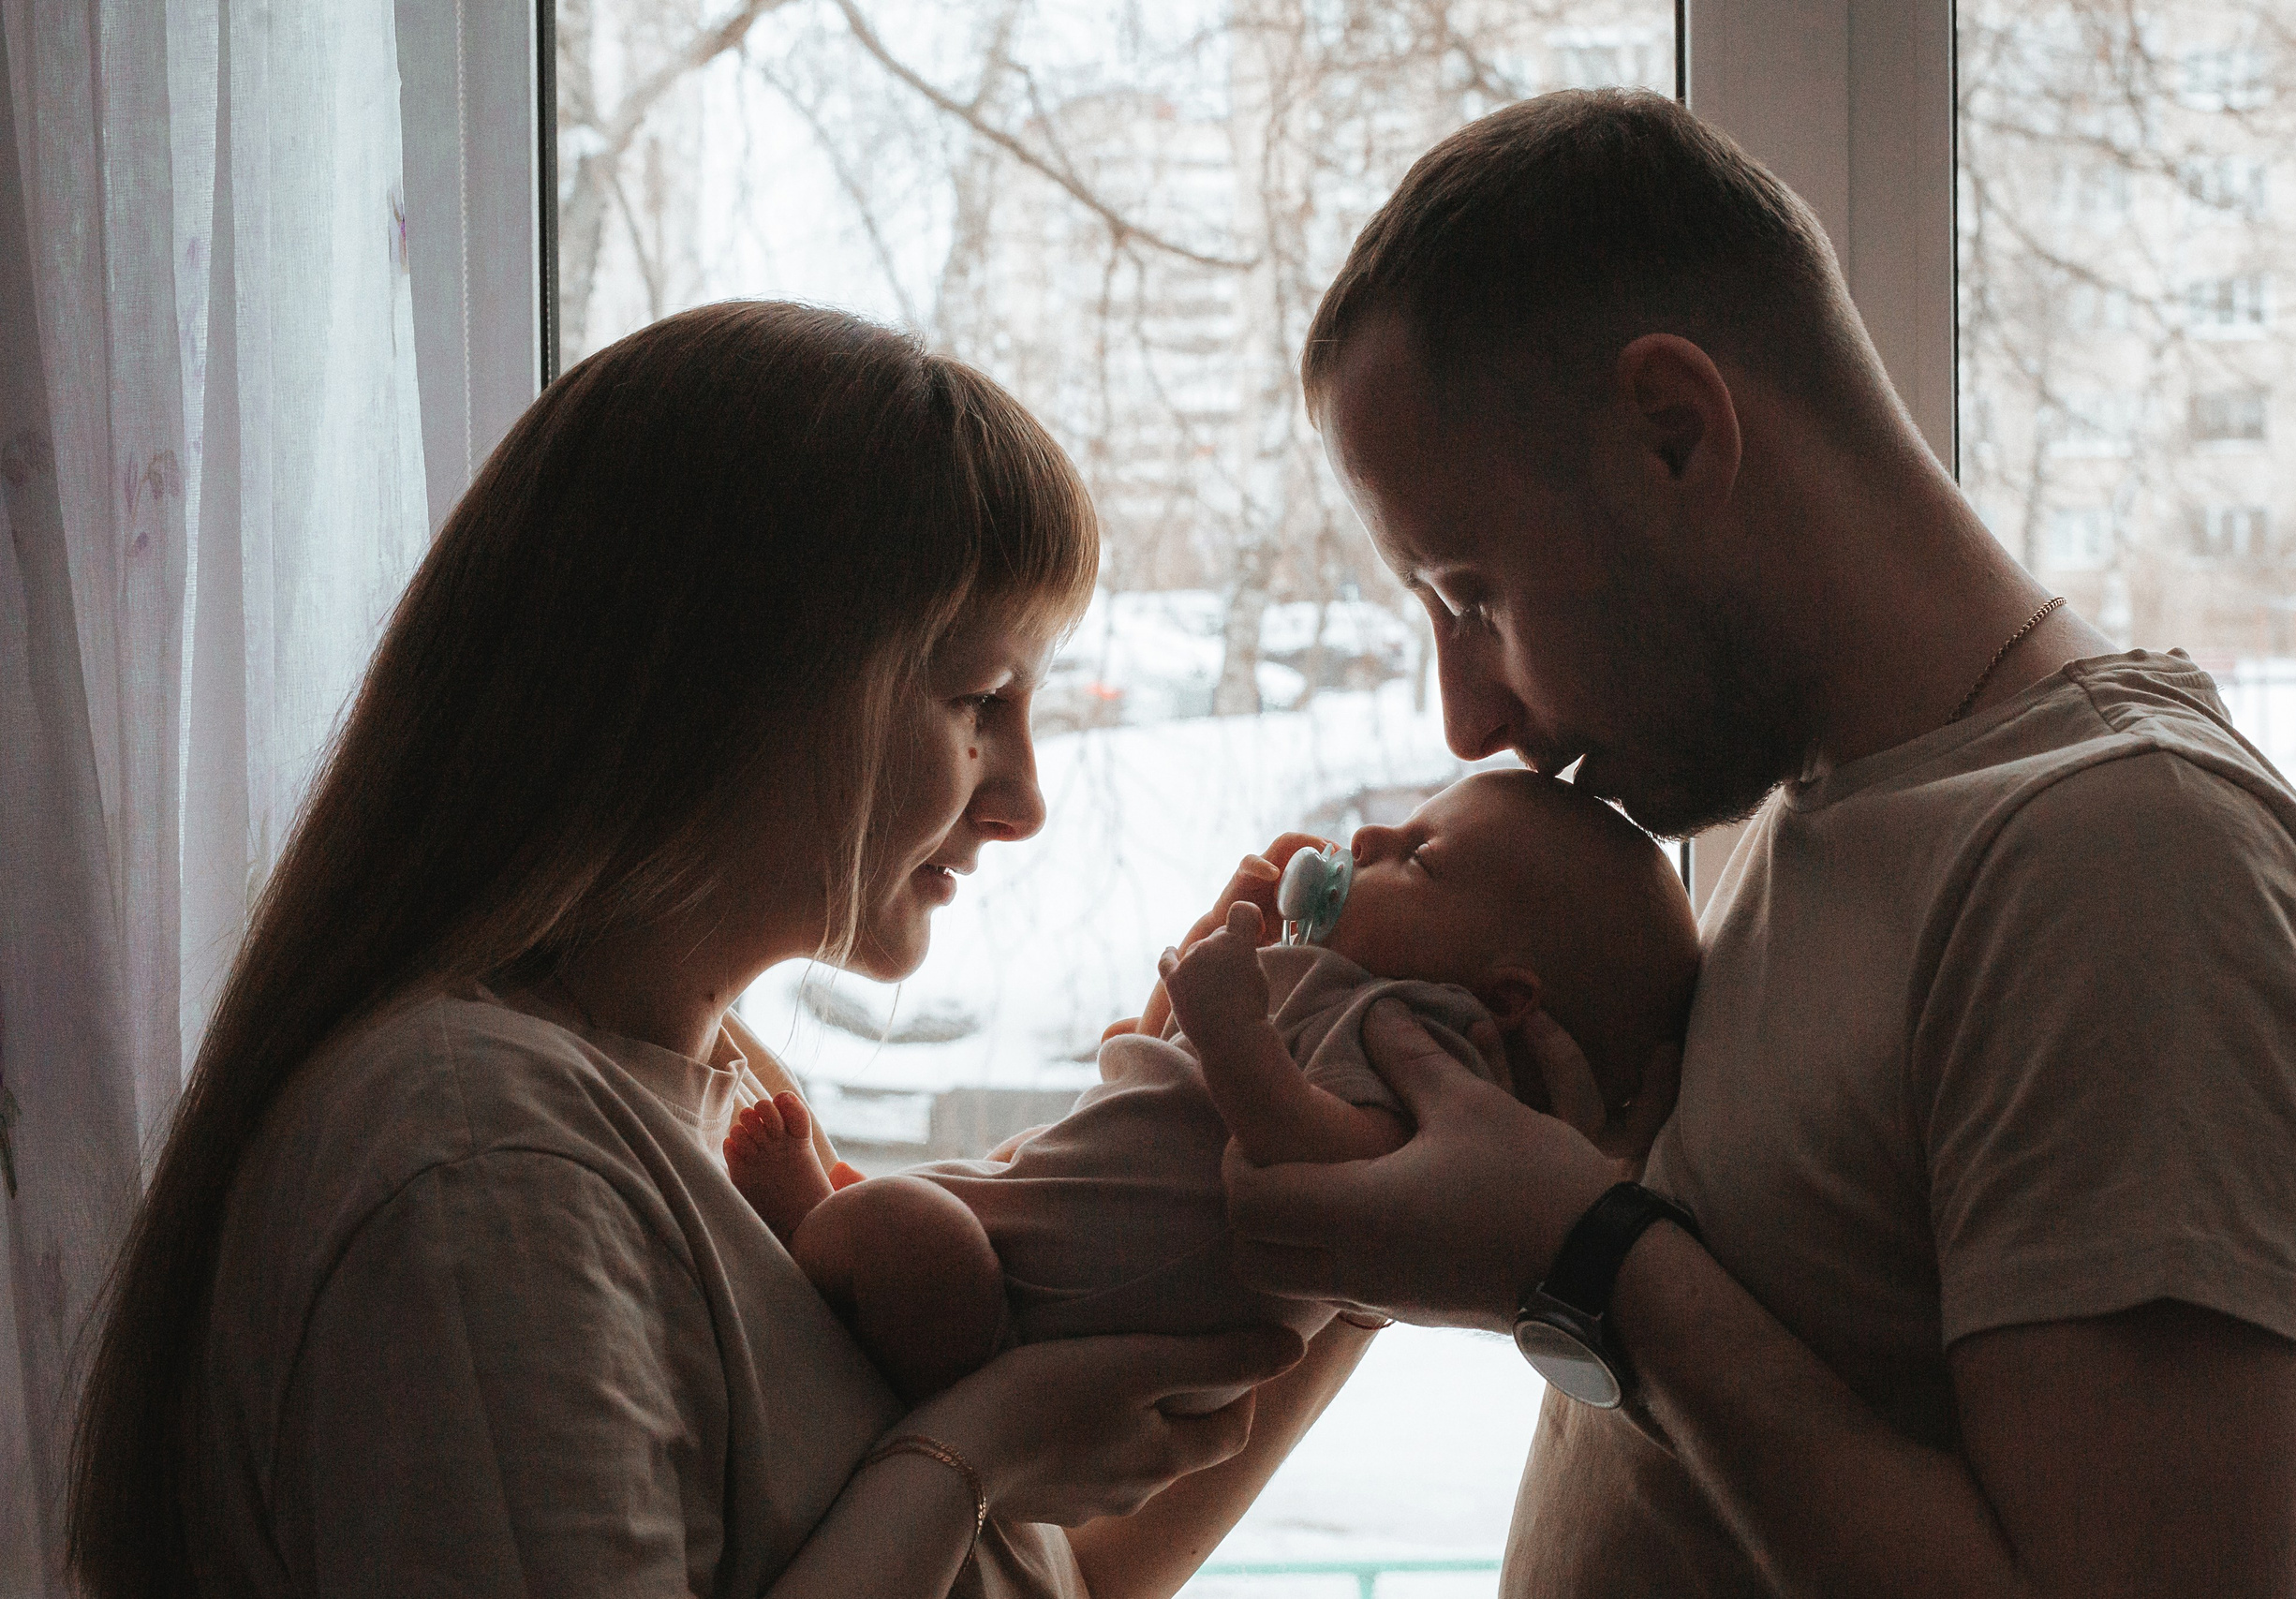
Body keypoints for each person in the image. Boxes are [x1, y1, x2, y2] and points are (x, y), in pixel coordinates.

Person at [1221, 89, 2296, 1595]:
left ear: (1674, 431)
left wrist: (1590, 1260)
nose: (1467, 717)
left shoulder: (2133, 862)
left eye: (1473, 595)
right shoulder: (1823, 815)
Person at [67, 302, 1364, 1599]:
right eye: (979, 699)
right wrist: (978, 1449)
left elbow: (1035, 1579)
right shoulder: (487, 1166)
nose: (1023, 800)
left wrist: (1339, 1229)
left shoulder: (709, 1094)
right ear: (732, 684)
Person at [724, 769, 1697, 1399]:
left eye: (1421, 858)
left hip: (1033, 1327)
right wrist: (1194, 982)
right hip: (1042, 1258)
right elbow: (1152, 1070)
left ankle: (818, 1224)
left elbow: (1326, 1173)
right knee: (942, 1216)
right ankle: (849, 1228)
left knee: (925, 1243)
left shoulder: (1409, 1030)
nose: (1365, 841)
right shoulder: (1332, 994)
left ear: (1506, 994)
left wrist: (1234, 1034)